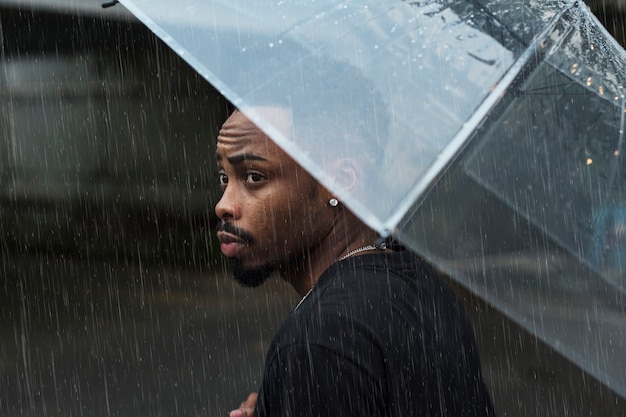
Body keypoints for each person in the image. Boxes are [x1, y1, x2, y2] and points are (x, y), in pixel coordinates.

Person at [214, 104, 495, 416]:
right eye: (224, 177)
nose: (223, 205)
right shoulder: (418, 282)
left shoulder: (318, 341)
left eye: (254, 176)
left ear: (338, 182)